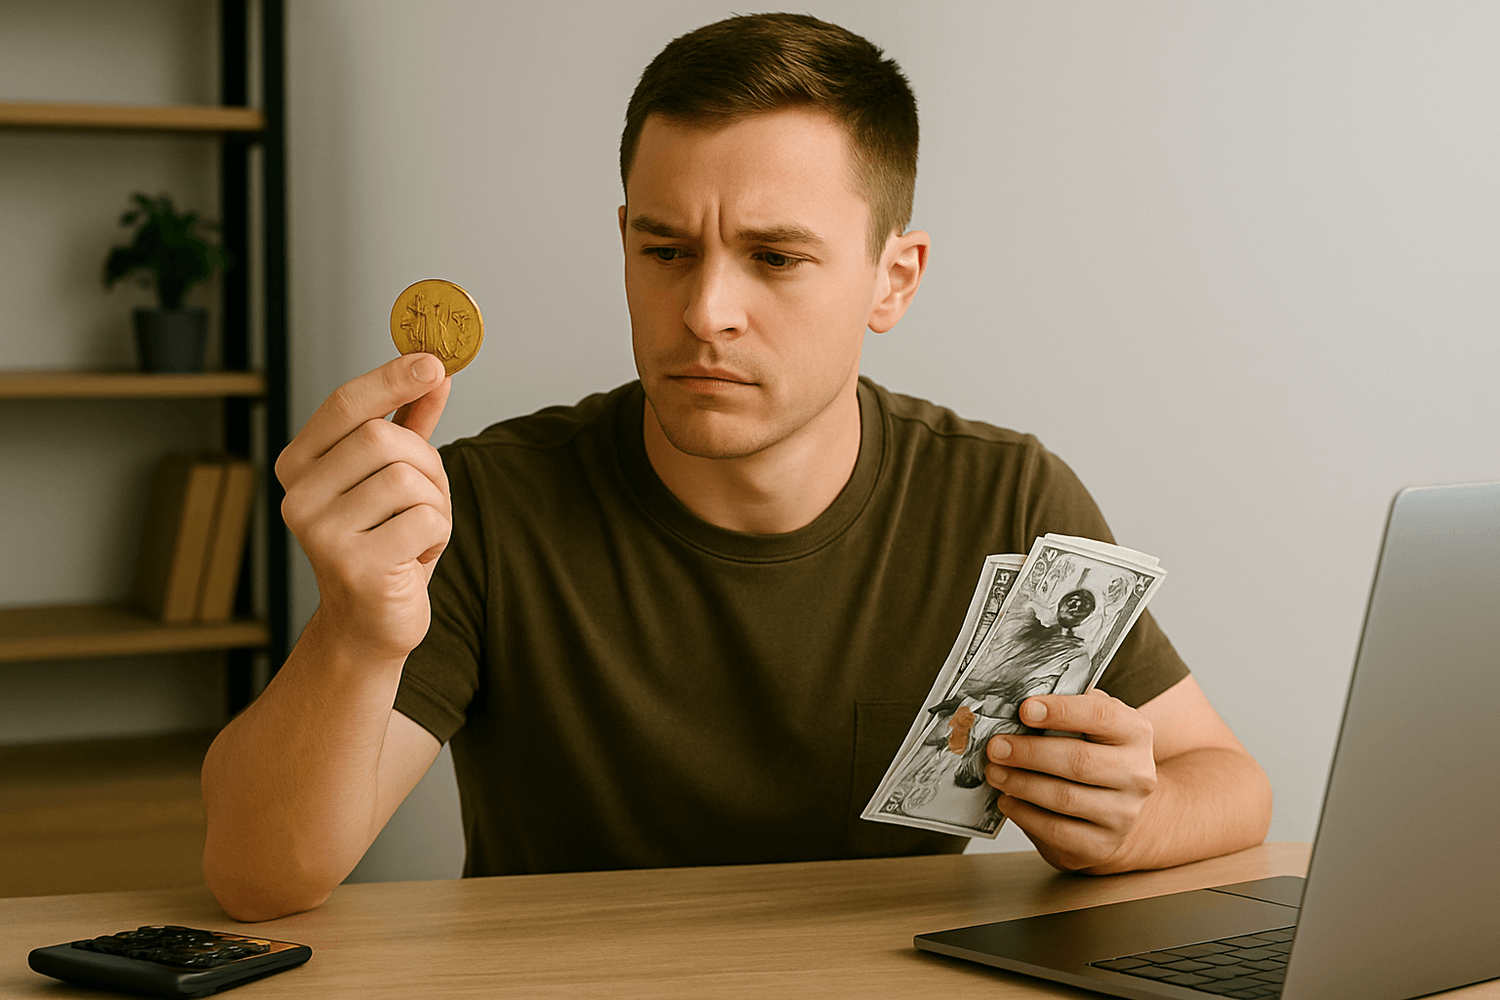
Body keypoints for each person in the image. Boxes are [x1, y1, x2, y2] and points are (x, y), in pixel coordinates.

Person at [201, 13, 1272, 922]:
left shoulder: (1004, 495)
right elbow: (256, 875)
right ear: (624, 242)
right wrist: (357, 632)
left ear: (892, 280)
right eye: (665, 251)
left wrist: (1133, 817)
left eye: (775, 257)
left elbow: (1231, 785)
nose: (705, 311)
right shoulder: (481, 502)